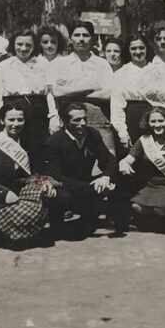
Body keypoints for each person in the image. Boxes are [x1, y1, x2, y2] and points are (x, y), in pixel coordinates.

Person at [0, 102, 60, 249]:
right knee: (28, 216)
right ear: (2, 120)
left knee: (47, 193)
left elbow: (27, 175)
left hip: (14, 194)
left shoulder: (23, 141)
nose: (15, 124)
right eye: (11, 120)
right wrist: (4, 193)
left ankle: (11, 232)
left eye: (20, 120)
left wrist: (43, 182)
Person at [43, 102, 129, 238]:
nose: (82, 123)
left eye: (84, 119)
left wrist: (105, 177)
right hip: (66, 186)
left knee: (117, 177)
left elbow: (109, 160)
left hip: (86, 183)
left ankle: (118, 222)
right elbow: (56, 176)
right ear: (65, 122)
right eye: (77, 120)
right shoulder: (54, 141)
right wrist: (91, 187)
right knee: (61, 197)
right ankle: (57, 226)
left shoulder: (92, 134)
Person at [117, 106, 165, 230]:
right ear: (148, 123)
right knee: (136, 207)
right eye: (153, 121)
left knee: (161, 210)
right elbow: (129, 159)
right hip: (152, 185)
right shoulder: (144, 141)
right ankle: (163, 221)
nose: (157, 125)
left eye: (161, 121)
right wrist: (124, 163)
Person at [48, 22, 117, 154]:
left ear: (92, 38)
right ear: (70, 39)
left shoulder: (102, 64)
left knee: (107, 158)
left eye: (85, 35)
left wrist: (70, 91)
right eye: (77, 35)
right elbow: (56, 92)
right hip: (69, 118)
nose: (81, 39)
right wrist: (92, 87)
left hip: (98, 117)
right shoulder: (59, 64)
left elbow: (108, 94)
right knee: (72, 158)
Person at [110, 35, 165, 150]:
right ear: (128, 50)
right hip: (132, 120)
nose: (138, 52)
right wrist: (122, 132)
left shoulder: (160, 71)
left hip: (157, 120)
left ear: (147, 49)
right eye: (133, 48)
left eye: (141, 48)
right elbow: (117, 107)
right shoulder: (121, 74)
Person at [0, 30, 51, 166]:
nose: (23, 48)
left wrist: (53, 117)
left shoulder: (43, 65)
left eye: (28, 45)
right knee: (15, 153)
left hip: (38, 115)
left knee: (38, 154)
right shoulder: (3, 67)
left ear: (34, 46)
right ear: (13, 44)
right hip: (13, 114)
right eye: (19, 44)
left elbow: (50, 93)